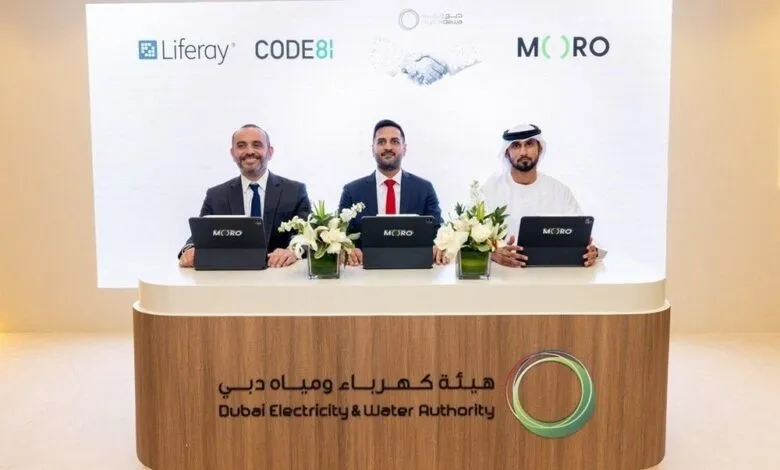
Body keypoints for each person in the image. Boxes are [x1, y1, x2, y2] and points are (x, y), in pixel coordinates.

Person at [178, 124, 311, 268]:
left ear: (270, 152)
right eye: (241, 146)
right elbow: (201, 235)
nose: (249, 151)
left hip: (279, 277)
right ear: (233, 153)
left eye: (257, 145)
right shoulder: (216, 196)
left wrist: (292, 251)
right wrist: (189, 249)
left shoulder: (295, 191)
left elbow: (309, 237)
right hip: (231, 279)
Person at [481, 123, 605, 268]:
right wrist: (491, 253)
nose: (523, 152)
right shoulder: (490, 189)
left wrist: (592, 251)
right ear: (507, 152)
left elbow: (583, 235)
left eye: (529, 144)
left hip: (553, 275)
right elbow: (469, 240)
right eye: (515, 145)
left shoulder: (559, 191)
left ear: (540, 149)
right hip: (504, 276)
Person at [338, 119, 446, 265]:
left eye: (394, 141)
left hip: (415, 269)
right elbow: (340, 233)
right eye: (381, 142)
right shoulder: (351, 191)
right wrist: (348, 248)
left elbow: (438, 228)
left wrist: (440, 245)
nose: (388, 146)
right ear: (373, 149)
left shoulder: (424, 188)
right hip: (364, 271)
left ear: (404, 148)